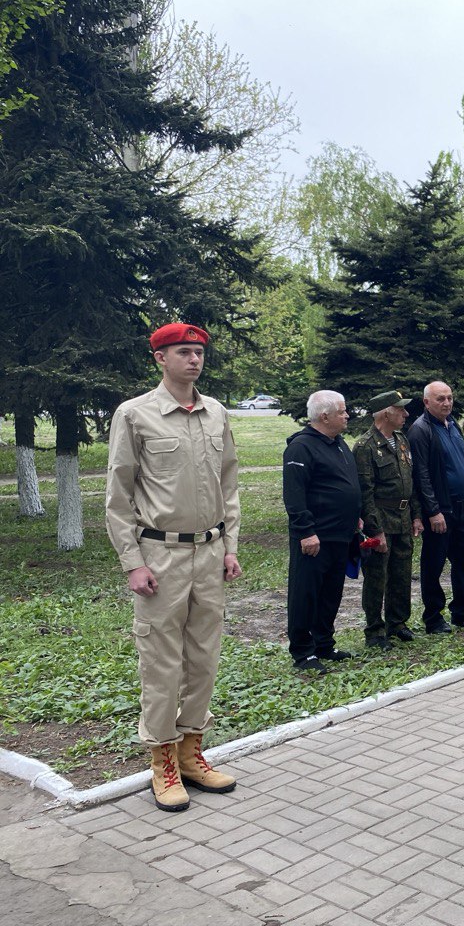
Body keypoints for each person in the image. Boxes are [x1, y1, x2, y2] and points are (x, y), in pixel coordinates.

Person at [105, 322, 241, 812]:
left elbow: (230, 487)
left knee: (204, 659)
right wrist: (132, 564)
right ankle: (161, 761)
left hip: (209, 553)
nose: (194, 360)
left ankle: (191, 753)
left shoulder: (216, 413)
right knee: (162, 663)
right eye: (183, 352)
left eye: (199, 352)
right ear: (160, 358)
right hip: (159, 556)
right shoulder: (135, 414)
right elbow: (118, 497)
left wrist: (230, 547)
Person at [283, 390, 362, 671]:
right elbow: (294, 495)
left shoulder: (338, 443)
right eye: (342, 412)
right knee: (306, 594)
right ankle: (303, 652)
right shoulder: (301, 448)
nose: (347, 415)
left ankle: (324, 644)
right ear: (325, 415)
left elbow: (348, 484)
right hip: (315, 536)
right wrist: (306, 531)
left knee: (331, 592)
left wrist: (356, 516)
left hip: (341, 534)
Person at [409, 381, 464, 634]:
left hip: (461, 506)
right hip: (440, 509)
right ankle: (433, 617)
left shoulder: (452, 425)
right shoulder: (421, 430)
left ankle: (462, 612)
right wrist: (432, 511)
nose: (447, 403)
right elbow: (421, 474)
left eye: (449, 398)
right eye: (440, 399)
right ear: (426, 402)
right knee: (434, 564)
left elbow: (461, 462)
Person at [353, 391, 424, 651]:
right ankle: (375, 630)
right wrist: (375, 531)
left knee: (402, 573)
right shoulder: (365, 446)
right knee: (377, 577)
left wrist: (416, 515)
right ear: (385, 413)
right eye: (400, 410)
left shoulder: (401, 440)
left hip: (404, 518)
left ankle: (398, 622)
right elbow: (365, 492)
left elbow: (410, 481)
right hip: (381, 519)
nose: (406, 414)